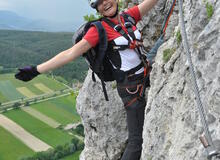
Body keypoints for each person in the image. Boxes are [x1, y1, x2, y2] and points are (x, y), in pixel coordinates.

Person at [15, 0, 158, 159]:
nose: (105, 3)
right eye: (99, 3)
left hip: (146, 73)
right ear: (97, 9)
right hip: (130, 88)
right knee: (136, 142)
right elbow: (70, 53)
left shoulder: (128, 17)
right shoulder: (98, 30)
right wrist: (36, 70)